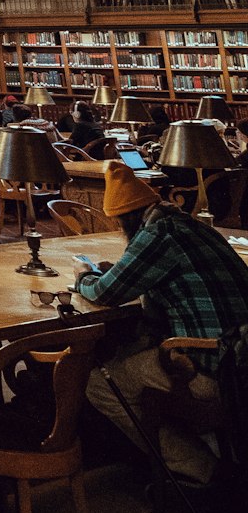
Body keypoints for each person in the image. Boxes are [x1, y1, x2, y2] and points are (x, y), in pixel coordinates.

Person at [75, 161, 248, 485]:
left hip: (215, 370)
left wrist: (84, 275)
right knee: (134, 350)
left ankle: (200, 466)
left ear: (124, 219)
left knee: (100, 382)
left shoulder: (157, 234)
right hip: (241, 358)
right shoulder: (190, 225)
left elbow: (104, 292)